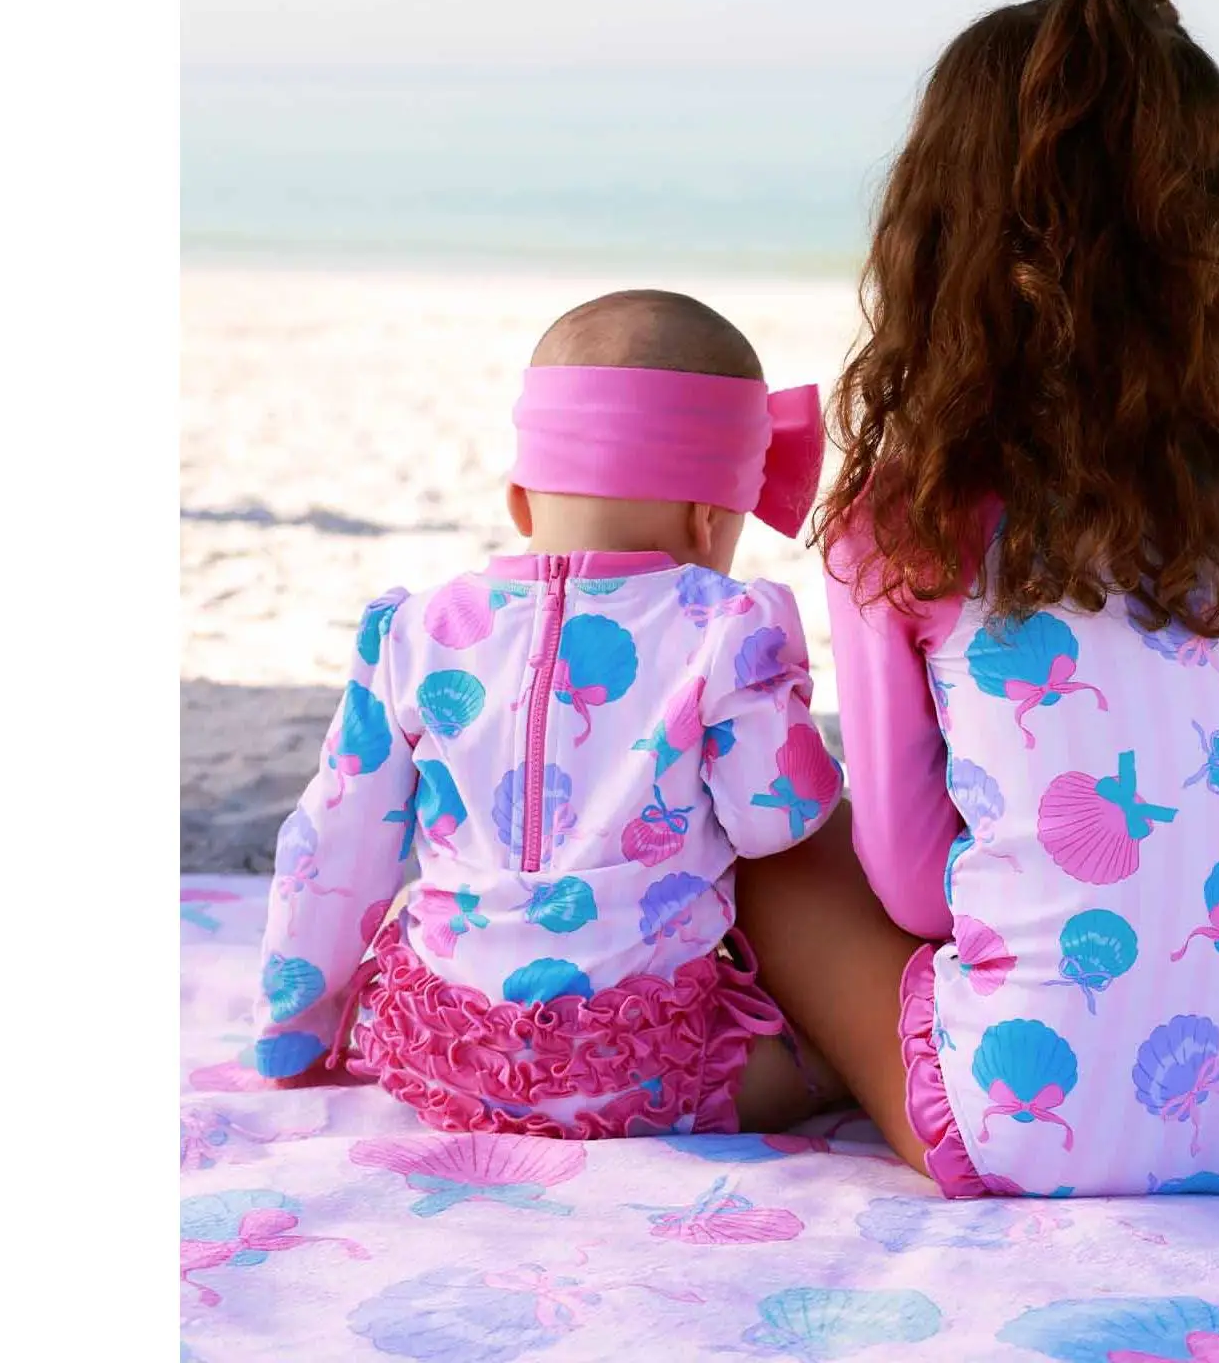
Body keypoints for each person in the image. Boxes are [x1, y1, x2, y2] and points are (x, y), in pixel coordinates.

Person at [734, 0, 1219, 1197]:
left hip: (1033, 1129)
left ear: (934, 235)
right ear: (1208, 240)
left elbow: (909, 888)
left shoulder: (905, 517)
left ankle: (831, 1063)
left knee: (775, 856)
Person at [251, 288, 844, 1137]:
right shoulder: (727, 626)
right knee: (832, 1057)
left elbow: (331, 849)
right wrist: (781, 697)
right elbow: (774, 820)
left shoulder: (414, 630)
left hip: (442, 1055)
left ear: (520, 501)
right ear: (708, 519)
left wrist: (293, 1032)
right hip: (640, 1067)